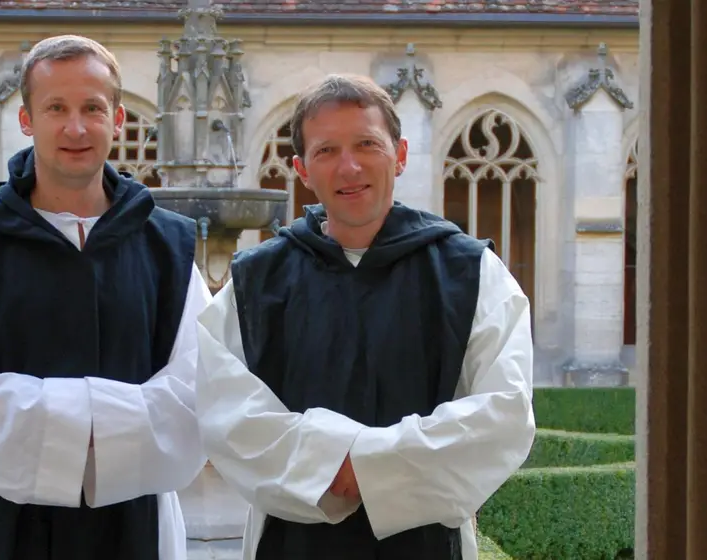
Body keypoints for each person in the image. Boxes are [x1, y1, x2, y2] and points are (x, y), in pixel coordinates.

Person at [194, 74, 537, 559]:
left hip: (425, 541)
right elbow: (227, 414)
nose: (349, 166)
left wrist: (359, 467)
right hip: (291, 541)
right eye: (326, 151)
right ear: (302, 169)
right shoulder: (256, 282)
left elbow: (503, 411)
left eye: (366, 144)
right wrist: (352, 467)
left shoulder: (471, 272)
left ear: (399, 153)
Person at [0, 35, 210, 560]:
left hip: (136, 519)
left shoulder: (169, 245)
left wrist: (72, 429)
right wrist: (96, 425)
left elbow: (203, 387)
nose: (75, 127)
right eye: (56, 108)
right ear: (26, 119)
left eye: (93, 108)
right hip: (4, 517)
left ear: (118, 119)